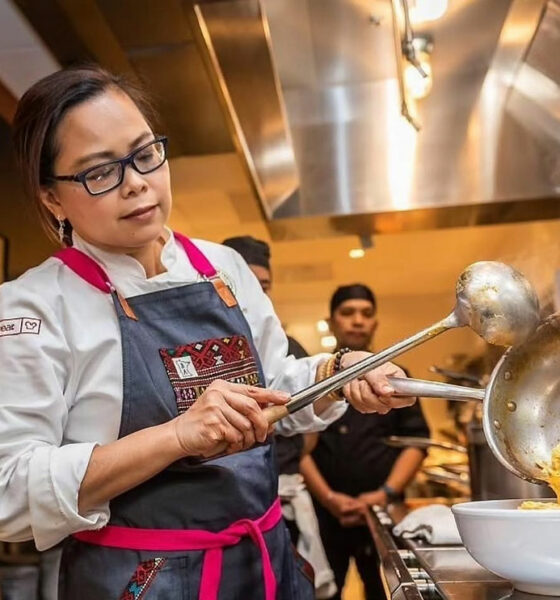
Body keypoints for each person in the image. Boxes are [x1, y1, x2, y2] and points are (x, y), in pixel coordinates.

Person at [0, 66, 415, 600]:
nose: (137, 183)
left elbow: (279, 381)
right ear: (52, 198)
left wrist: (338, 371)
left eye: (145, 153)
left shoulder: (222, 267)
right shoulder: (35, 306)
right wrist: (176, 437)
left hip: (264, 561)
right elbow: (9, 489)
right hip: (142, 579)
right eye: (100, 173)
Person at [222, 235, 337, 598]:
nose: (257, 295)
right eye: (247, 285)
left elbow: (309, 421)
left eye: (265, 286)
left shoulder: (288, 348)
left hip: (278, 499)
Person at [301, 284, 430, 600]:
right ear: (331, 322)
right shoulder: (314, 379)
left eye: (366, 314)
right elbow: (297, 447)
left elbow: (417, 443)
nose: (357, 320)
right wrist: (330, 498)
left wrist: (384, 494)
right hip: (325, 516)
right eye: (347, 313)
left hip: (382, 515)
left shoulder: (398, 378)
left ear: (375, 323)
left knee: (385, 592)